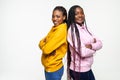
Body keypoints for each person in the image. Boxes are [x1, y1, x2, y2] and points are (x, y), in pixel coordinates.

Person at [67, 5, 103, 80]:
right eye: (76, 14)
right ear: (72, 16)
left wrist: (90, 46)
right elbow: (83, 52)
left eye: (82, 13)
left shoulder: (86, 28)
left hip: (87, 68)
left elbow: (100, 43)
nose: (80, 15)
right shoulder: (72, 31)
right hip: (79, 71)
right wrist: (94, 47)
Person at [38, 6, 67, 80]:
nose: (54, 19)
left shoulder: (61, 30)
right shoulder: (54, 28)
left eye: (58, 16)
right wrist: (45, 44)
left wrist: (45, 45)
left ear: (64, 17)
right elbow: (41, 42)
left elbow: (46, 50)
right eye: (53, 16)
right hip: (49, 67)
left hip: (54, 68)